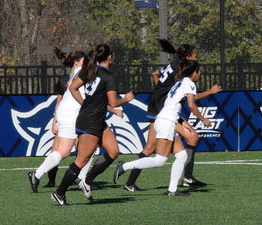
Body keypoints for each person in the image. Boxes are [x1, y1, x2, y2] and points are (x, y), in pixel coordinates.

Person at [122, 39, 221, 192]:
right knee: (184, 141)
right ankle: (186, 178)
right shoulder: (182, 70)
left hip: (158, 105)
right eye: (196, 56)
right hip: (162, 109)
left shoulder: (174, 66)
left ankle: (131, 183)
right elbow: (191, 100)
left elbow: (156, 74)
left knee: (160, 146)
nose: (197, 58)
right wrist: (210, 92)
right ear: (188, 57)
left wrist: (159, 87)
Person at [51, 44, 134, 205]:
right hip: (90, 121)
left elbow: (72, 87)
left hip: (95, 119)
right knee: (81, 161)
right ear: (109, 57)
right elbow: (113, 103)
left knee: (113, 151)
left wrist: (85, 103)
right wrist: (127, 99)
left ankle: (87, 181)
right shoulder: (108, 76)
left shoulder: (91, 70)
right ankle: (59, 193)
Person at [113, 59, 211, 196]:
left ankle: (172, 190)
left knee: (182, 156)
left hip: (165, 120)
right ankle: (124, 166)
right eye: (198, 72)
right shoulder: (189, 83)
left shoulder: (179, 83)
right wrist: (203, 119)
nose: (199, 74)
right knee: (160, 160)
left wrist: (179, 122)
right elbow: (191, 105)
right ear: (194, 73)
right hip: (167, 122)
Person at [27, 49, 95, 192]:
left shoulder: (77, 71)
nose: (88, 62)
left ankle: (37, 175)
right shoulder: (82, 71)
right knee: (67, 151)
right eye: (84, 60)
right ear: (77, 62)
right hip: (71, 114)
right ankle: (80, 179)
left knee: (83, 147)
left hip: (67, 112)